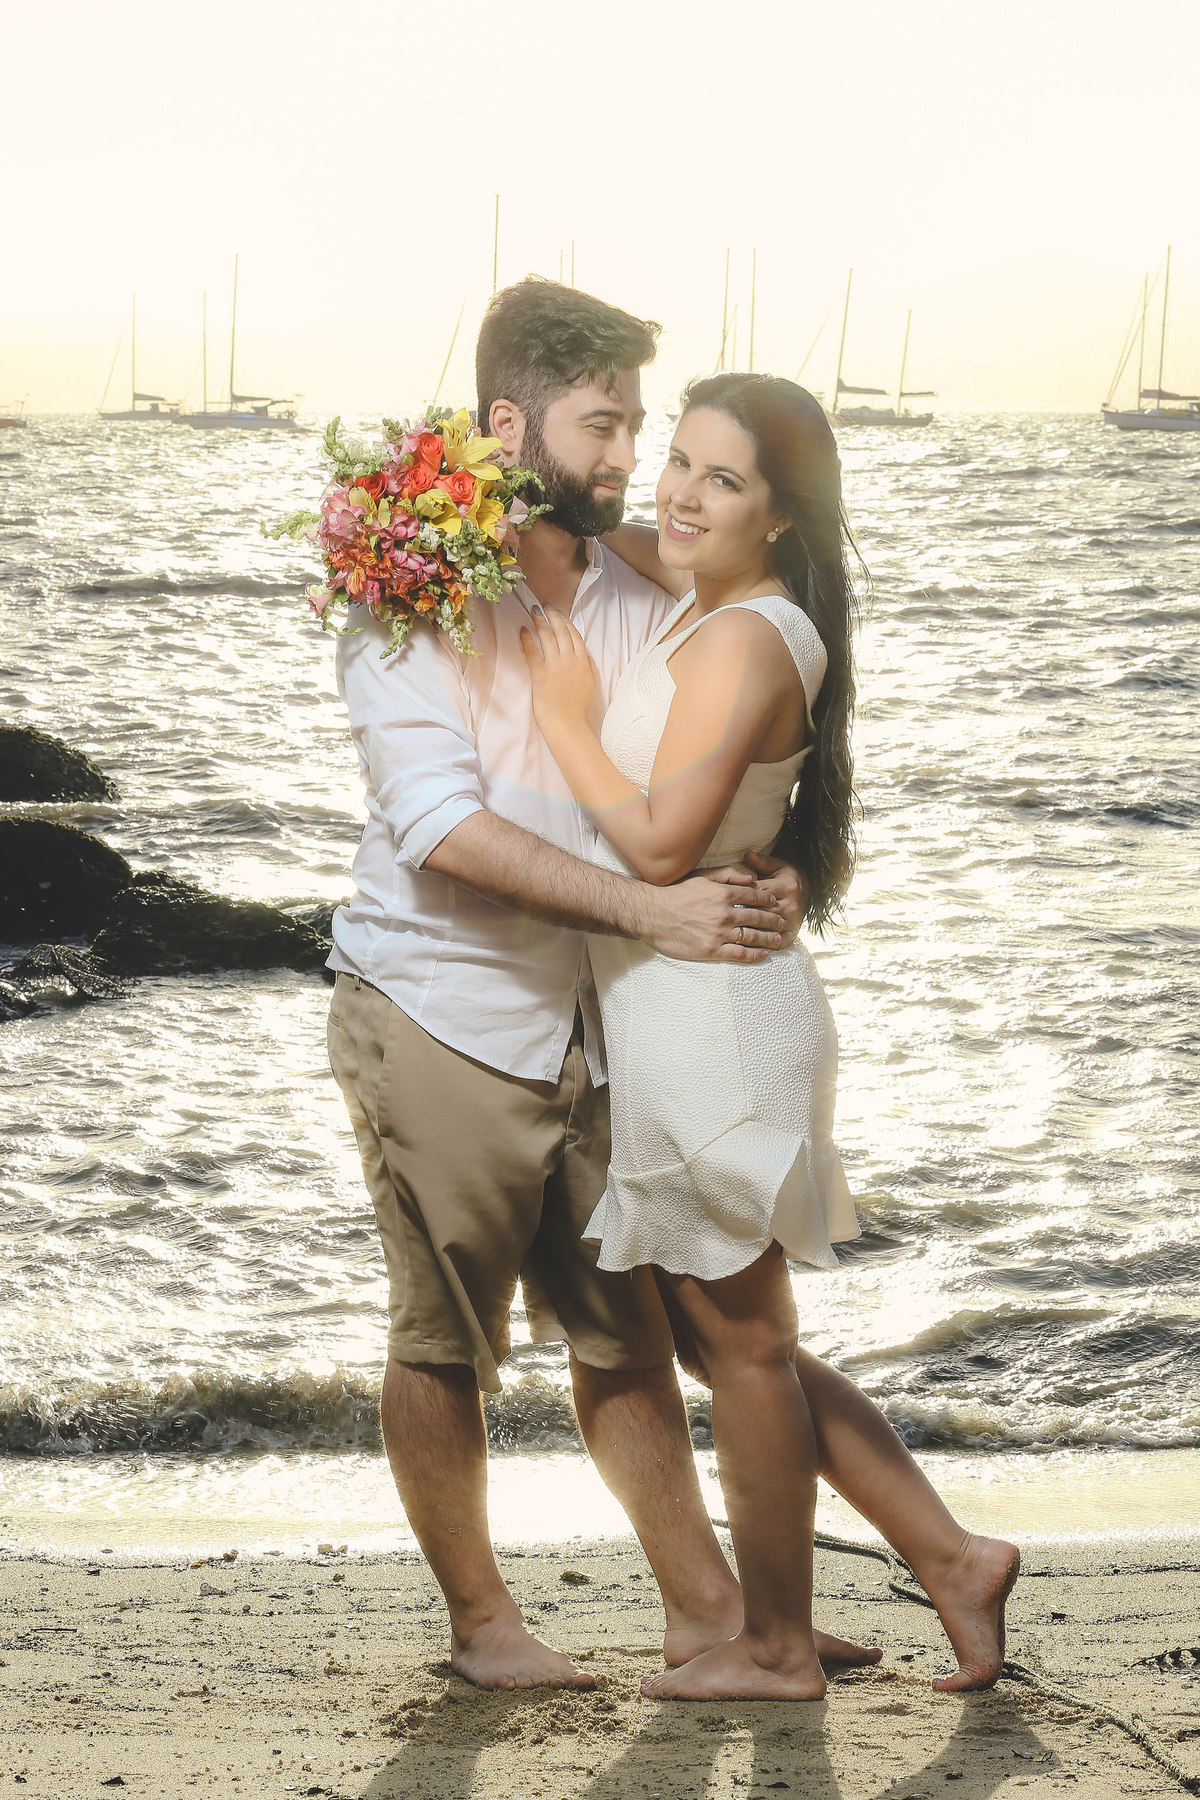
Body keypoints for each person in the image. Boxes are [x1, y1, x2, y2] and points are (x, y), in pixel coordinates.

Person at [325, 280, 875, 1692]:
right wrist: (653, 905)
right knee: (446, 1342)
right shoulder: (412, 609)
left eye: (643, 426)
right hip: (443, 1012)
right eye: (608, 426)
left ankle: (718, 1616)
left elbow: (749, 719)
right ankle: (482, 1626)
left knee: (623, 1336)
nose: (635, 459)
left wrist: (777, 869)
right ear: (511, 424)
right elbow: (441, 828)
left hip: (610, 1026)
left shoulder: (642, 585)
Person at [520, 370, 1021, 1700]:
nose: (680, 492)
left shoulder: (746, 637)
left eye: (721, 478)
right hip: (684, 1014)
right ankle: (952, 1559)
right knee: (740, 1341)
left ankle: (781, 1647)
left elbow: (661, 841)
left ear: (782, 514)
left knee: (739, 1344)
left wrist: (567, 720)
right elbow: (583, 533)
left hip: (714, 1024)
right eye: (676, 460)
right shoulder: (713, 606)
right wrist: (511, 512)